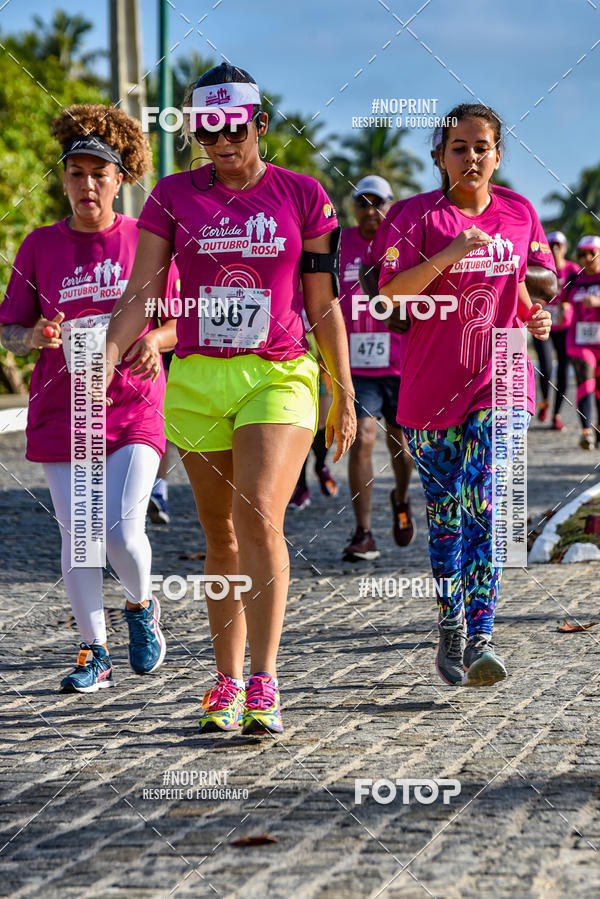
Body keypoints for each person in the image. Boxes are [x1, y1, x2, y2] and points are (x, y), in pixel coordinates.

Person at [104, 63, 356, 735]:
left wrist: (346, 389)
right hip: (198, 377)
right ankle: (226, 679)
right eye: (206, 130)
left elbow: (322, 303)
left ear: (260, 126)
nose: (220, 142)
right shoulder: (171, 196)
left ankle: (266, 679)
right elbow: (142, 292)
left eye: (233, 129)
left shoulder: (303, 196)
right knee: (218, 535)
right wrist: (103, 356)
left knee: (257, 517)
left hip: (279, 375)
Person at [0, 104, 178, 692]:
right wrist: (32, 336)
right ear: (65, 180)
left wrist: (155, 337)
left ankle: (141, 605)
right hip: (61, 410)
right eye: (75, 173)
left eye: (98, 174)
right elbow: (9, 330)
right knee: (77, 535)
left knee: (122, 533)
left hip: (133, 406)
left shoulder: (145, 242)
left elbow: (180, 319)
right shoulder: (39, 247)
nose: (86, 184)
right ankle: (92, 650)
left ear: (120, 179)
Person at [378, 103, 551, 687]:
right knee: (447, 517)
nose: (471, 157)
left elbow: (523, 288)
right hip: (430, 389)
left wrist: (537, 315)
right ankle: (449, 622)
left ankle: (482, 633)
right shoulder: (413, 216)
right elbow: (391, 294)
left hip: (500, 376)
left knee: (486, 497)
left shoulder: (521, 213)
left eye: (482, 147)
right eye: (459, 147)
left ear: (498, 155)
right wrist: (451, 253)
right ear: (440, 155)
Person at [339, 175, 415, 561]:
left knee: (401, 446)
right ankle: (363, 531)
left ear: (391, 204)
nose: (371, 211)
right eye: (363, 203)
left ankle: (401, 497)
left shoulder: (403, 241)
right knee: (363, 437)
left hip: (402, 362)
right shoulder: (339, 244)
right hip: (359, 365)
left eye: (378, 203)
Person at [563, 235, 600, 449]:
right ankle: (586, 431)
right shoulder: (574, 278)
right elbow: (559, 297)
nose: (587, 257)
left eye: (591, 253)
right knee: (585, 378)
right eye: (582, 254)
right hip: (579, 341)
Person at [545, 231, 580, 430]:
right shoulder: (540, 269)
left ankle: (556, 414)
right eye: (551, 245)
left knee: (563, 373)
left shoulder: (574, 270)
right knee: (547, 369)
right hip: (545, 327)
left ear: (565, 248)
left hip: (565, 327)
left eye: (559, 245)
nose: (555, 248)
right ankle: (543, 403)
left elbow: (580, 292)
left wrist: (568, 304)